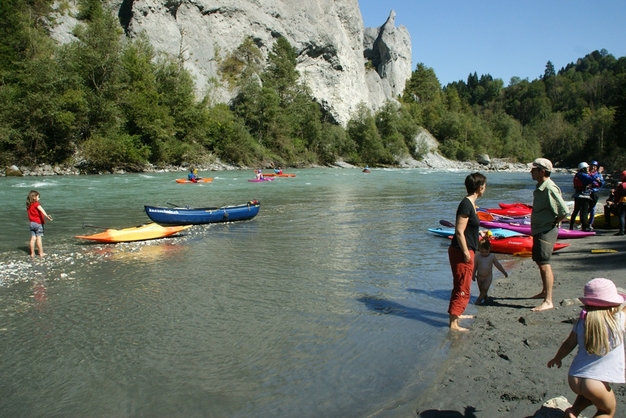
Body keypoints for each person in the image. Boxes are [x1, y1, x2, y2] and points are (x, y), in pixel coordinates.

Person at [547, 278, 626, 418]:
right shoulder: (618, 320)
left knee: (588, 395)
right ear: (613, 304)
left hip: (575, 377)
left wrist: (557, 358)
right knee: (607, 411)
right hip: (595, 383)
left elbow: (568, 344)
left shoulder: (582, 322)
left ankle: (573, 411)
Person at [447, 172, 487, 331]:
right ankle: (453, 324)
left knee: (462, 284)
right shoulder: (466, 204)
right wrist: (465, 253)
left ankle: (456, 314)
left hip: (466, 248)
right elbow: (459, 231)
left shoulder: (470, 204)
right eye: (484, 186)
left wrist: (479, 235)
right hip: (461, 251)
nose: (485, 188)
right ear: (479, 188)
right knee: (462, 286)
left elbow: (467, 229)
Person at [530, 158, 569, 311]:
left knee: (545, 264)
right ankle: (544, 292)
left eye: (534, 169)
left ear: (542, 171)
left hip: (546, 230)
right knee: (540, 261)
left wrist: (554, 222)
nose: (531, 172)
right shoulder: (541, 186)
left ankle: (548, 300)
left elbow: (564, 211)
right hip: (540, 229)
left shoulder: (549, 188)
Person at [473, 239, 508, 305]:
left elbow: (498, 265)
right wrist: (473, 274)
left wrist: (503, 272)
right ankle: (486, 299)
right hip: (479, 276)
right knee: (481, 290)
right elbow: (475, 266)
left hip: (488, 277)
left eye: (486, 252)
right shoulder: (478, 257)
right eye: (482, 252)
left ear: (489, 249)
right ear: (479, 249)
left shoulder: (492, 257)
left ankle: (478, 301)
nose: (484, 254)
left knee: (485, 289)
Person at [26, 190, 53, 258]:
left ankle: (32, 253)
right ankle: (41, 253)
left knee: (33, 238)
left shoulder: (29, 205)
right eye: (38, 196)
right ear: (34, 197)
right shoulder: (36, 204)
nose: (39, 198)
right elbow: (42, 210)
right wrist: (47, 216)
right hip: (38, 223)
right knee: (39, 238)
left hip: (32, 223)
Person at [569, 162, 594, 232]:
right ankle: (584, 227)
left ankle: (571, 226)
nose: (588, 169)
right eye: (587, 168)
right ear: (583, 169)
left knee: (576, 211)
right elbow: (591, 179)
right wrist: (595, 173)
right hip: (584, 196)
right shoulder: (583, 175)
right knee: (584, 211)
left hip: (577, 195)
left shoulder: (578, 175)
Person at [588, 161, 605, 229]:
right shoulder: (587, 173)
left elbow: (602, 184)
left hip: (595, 192)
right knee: (585, 208)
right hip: (587, 192)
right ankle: (583, 222)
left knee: (592, 208)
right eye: (592, 166)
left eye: (595, 166)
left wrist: (599, 181)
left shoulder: (598, 174)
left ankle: (590, 224)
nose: (593, 167)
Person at [612, 170, 626, 235]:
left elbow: (617, 195)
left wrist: (615, 202)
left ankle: (621, 231)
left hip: (623, 201)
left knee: (622, 216)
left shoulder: (621, 185)